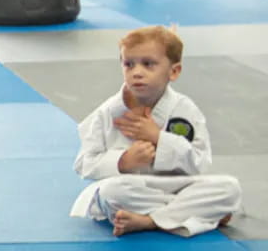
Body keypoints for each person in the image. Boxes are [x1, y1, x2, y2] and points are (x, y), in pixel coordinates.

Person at [70, 25, 241, 237]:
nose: (137, 72)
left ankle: (150, 221)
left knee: (229, 188)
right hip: (132, 188)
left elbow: (200, 163)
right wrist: (122, 161)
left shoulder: (185, 110)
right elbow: (84, 164)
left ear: (174, 71)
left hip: (178, 184)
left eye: (148, 64)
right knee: (109, 193)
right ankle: (199, 214)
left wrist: (159, 138)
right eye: (129, 64)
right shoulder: (107, 113)